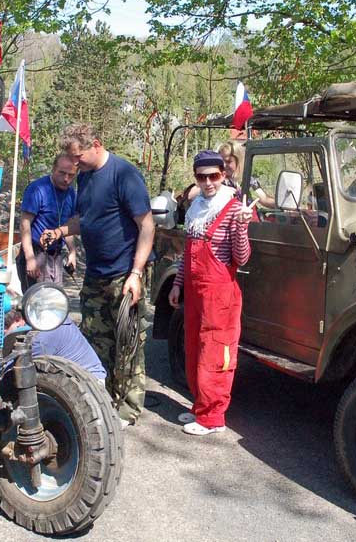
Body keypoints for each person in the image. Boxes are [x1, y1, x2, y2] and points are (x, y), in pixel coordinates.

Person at [41, 123, 154, 427]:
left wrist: (136, 273)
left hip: (125, 273)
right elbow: (86, 219)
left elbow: (146, 226)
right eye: (70, 158)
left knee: (127, 341)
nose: (74, 163)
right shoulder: (86, 177)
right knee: (93, 340)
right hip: (96, 273)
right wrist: (60, 231)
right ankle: (100, 401)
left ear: (96, 144)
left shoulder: (123, 174)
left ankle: (127, 410)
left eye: (78, 157)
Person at [168, 150, 253, 436]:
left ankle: (213, 417)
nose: (208, 183)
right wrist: (178, 284)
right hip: (195, 293)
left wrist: (242, 226)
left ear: (223, 175)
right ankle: (200, 407)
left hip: (220, 296)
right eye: (201, 177)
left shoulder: (232, 209)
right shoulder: (196, 208)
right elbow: (187, 254)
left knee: (214, 353)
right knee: (193, 349)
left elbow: (241, 258)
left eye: (213, 176)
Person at [17, 154, 78, 290]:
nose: (66, 179)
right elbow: (24, 224)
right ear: (53, 169)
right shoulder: (38, 189)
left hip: (56, 256)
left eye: (71, 175)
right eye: (62, 173)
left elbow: (68, 226)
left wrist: (72, 251)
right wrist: (30, 258)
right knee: (36, 300)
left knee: (55, 299)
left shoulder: (71, 194)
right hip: (36, 253)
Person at [5, 311, 107, 383]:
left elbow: (18, 366)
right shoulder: (53, 317)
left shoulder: (42, 337)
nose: (4, 335)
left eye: (5, 329)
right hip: (86, 376)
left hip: (89, 383)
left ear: (18, 321)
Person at [186, 141, 275, 208]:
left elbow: (264, 200)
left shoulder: (248, 180)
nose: (224, 165)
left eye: (228, 161)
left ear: (238, 161)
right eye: (221, 161)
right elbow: (191, 195)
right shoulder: (215, 178)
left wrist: (281, 205)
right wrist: (222, 188)